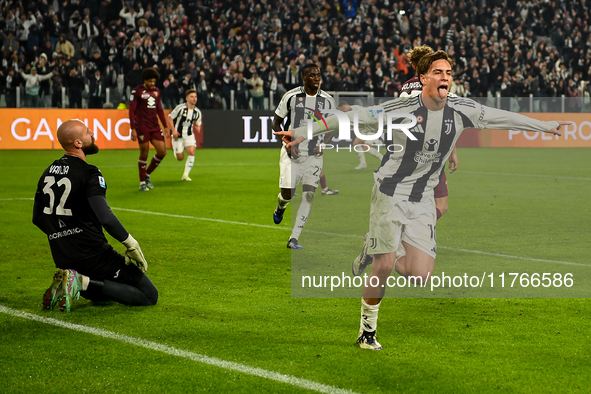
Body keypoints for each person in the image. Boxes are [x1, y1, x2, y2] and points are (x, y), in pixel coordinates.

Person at [276, 50, 566, 350]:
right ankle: (367, 331)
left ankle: (372, 244)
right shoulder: (400, 108)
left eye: (449, 73)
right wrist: (300, 131)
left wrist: (546, 126)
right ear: (424, 78)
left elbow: (502, 118)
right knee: (384, 266)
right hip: (390, 192)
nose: (445, 77)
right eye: (439, 72)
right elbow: (350, 117)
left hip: (424, 197)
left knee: (420, 276)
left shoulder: (462, 109)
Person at [33, 119, 158, 313]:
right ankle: (79, 282)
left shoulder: (47, 172)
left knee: (101, 297)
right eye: (87, 132)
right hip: (93, 255)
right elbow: (105, 217)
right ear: (78, 143)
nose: (92, 133)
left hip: (64, 257)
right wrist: (131, 244)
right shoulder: (89, 173)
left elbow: (38, 218)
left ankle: (70, 281)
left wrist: (63, 236)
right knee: (149, 295)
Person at [271, 63, 336, 250]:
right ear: (304, 77)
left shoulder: (328, 100)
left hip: (314, 156)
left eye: (319, 74)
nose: (317, 78)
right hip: (293, 152)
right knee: (287, 194)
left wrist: (323, 144)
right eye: (312, 75)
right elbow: (276, 122)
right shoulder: (291, 97)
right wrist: (286, 144)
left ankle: (294, 238)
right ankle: (280, 207)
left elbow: (334, 125)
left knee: (308, 195)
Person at [128, 67, 169, 191]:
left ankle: (147, 174)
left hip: (155, 126)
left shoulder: (156, 92)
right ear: (144, 80)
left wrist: (165, 126)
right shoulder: (137, 92)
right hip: (142, 126)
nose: (152, 84)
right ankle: (142, 183)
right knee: (144, 152)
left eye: (154, 81)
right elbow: (131, 111)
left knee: (162, 152)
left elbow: (160, 110)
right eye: (150, 81)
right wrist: (133, 129)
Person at [166, 89, 203, 181]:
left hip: (189, 135)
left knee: (191, 152)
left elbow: (198, 122)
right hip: (178, 136)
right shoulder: (180, 108)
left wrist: (198, 127)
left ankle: (185, 175)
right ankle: (176, 150)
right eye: (192, 97)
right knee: (180, 158)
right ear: (187, 99)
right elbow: (170, 118)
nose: (194, 99)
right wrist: (173, 130)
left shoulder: (197, 112)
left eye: (195, 97)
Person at [338, 101, 384, 169]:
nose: (342, 112)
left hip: (371, 128)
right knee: (356, 144)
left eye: (342, 110)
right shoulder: (348, 113)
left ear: (344, 107)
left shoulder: (357, 109)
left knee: (367, 148)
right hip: (364, 129)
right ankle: (363, 164)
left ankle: (383, 160)